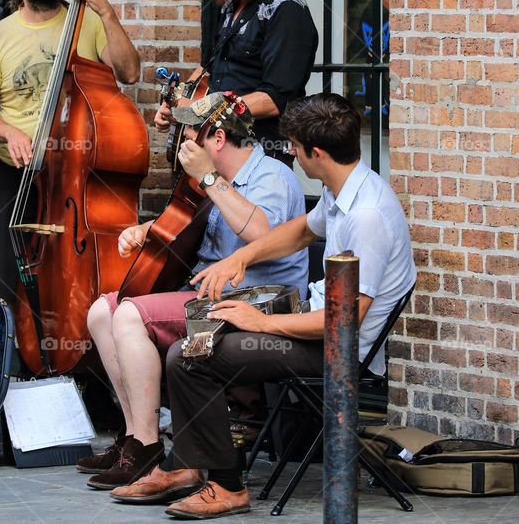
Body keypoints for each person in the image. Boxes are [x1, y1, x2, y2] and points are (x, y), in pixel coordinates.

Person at [132, 93, 415, 519]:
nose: (294, 157)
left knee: (192, 357)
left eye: (297, 149)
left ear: (317, 152)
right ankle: (187, 466)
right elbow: (301, 230)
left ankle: (225, 485)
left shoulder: (367, 214)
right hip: (312, 320)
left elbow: (347, 320)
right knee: (197, 336)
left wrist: (261, 322)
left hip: (335, 348)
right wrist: (239, 258)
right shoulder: (345, 188)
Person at [79, 92, 307, 493]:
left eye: (190, 134)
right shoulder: (213, 178)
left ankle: (148, 447)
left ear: (217, 139)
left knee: (131, 314)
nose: (183, 142)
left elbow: (262, 235)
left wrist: (209, 179)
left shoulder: (272, 176)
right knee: (101, 311)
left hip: (250, 301)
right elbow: (190, 228)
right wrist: (147, 230)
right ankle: (135, 437)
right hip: (205, 294)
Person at [0, 0, 141, 297]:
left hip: (75, 175)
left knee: (70, 280)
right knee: (10, 282)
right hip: (17, 174)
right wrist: (11, 133)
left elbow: (129, 73)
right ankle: (14, 353)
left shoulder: (86, 21)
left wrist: (104, 9)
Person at [155, 0, 318, 164]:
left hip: (259, 160)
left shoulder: (286, 9)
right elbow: (207, 70)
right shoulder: (231, 5)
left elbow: (276, 99)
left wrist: (200, 111)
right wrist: (177, 104)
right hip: (217, 155)